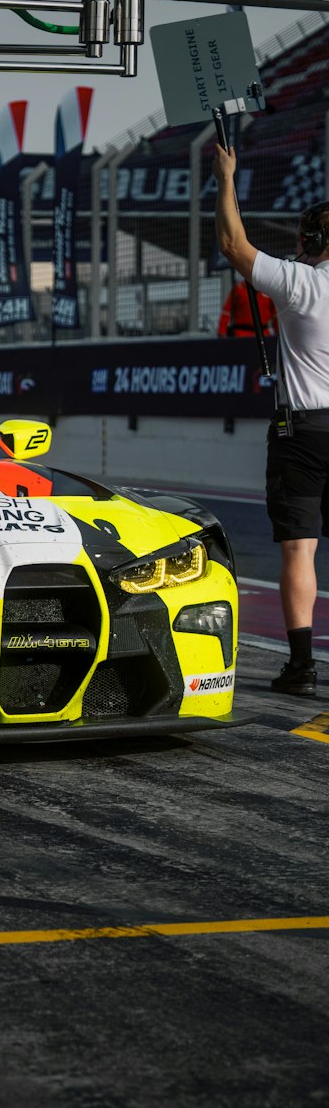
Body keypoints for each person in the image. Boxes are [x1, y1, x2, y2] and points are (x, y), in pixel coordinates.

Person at [214, 142, 329, 696]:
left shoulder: (301, 284)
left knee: (299, 548)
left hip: (304, 430)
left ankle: (302, 666)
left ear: (314, 241)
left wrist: (226, 177)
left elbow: (234, 245)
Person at [217, 274, 277, 339]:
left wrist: (278, 333)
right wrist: (222, 332)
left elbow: (275, 315)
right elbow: (227, 311)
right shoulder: (238, 289)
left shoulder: (268, 290)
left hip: (263, 334)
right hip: (241, 335)